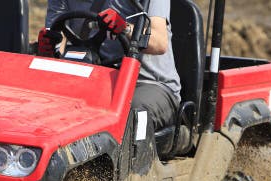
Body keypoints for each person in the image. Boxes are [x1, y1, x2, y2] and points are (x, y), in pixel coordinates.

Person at [42, 0, 181, 139]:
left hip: (147, 82)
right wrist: (48, 49)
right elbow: (56, 36)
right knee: (45, 108)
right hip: (92, 80)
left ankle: (150, 152)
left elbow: (160, 43)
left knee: (129, 115)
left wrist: (125, 28)